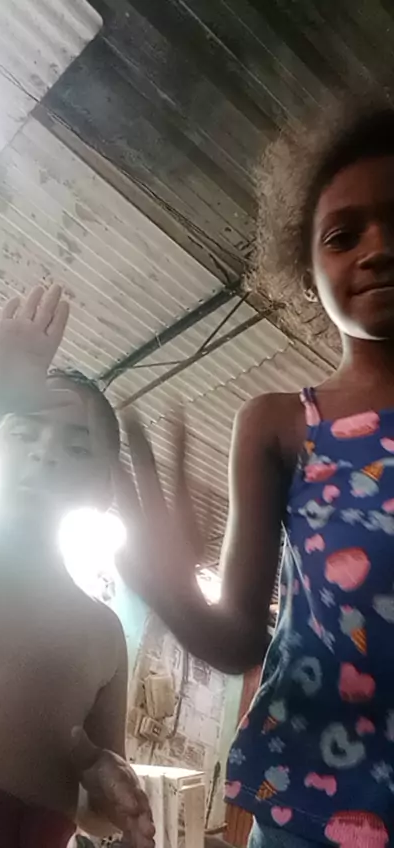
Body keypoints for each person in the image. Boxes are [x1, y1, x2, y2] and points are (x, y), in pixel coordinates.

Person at [113, 101, 394, 847]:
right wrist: (168, 589)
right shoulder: (279, 425)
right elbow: (239, 639)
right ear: (308, 267)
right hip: (309, 805)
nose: (377, 249)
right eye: (344, 235)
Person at [0, 284, 154, 848]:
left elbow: (94, 811)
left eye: (77, 448)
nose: (44, 453)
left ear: (103, 490)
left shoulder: (101, 634)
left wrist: (107, 788)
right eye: (23, 431)